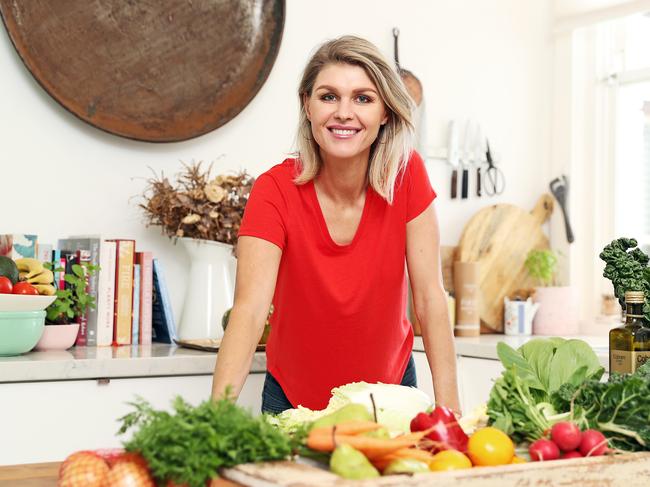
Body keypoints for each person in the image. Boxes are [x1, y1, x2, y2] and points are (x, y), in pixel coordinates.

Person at [211, 35, 460, 415]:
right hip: (292, 402)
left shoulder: (406, 176)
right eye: (329, 96)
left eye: (363, 98)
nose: (344, 112)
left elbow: (429, 298)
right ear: (307, 105)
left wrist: (451, 410)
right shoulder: (274, 190)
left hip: (390, 399)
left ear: (385, 113)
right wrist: (215, 418)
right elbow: (250, 310)